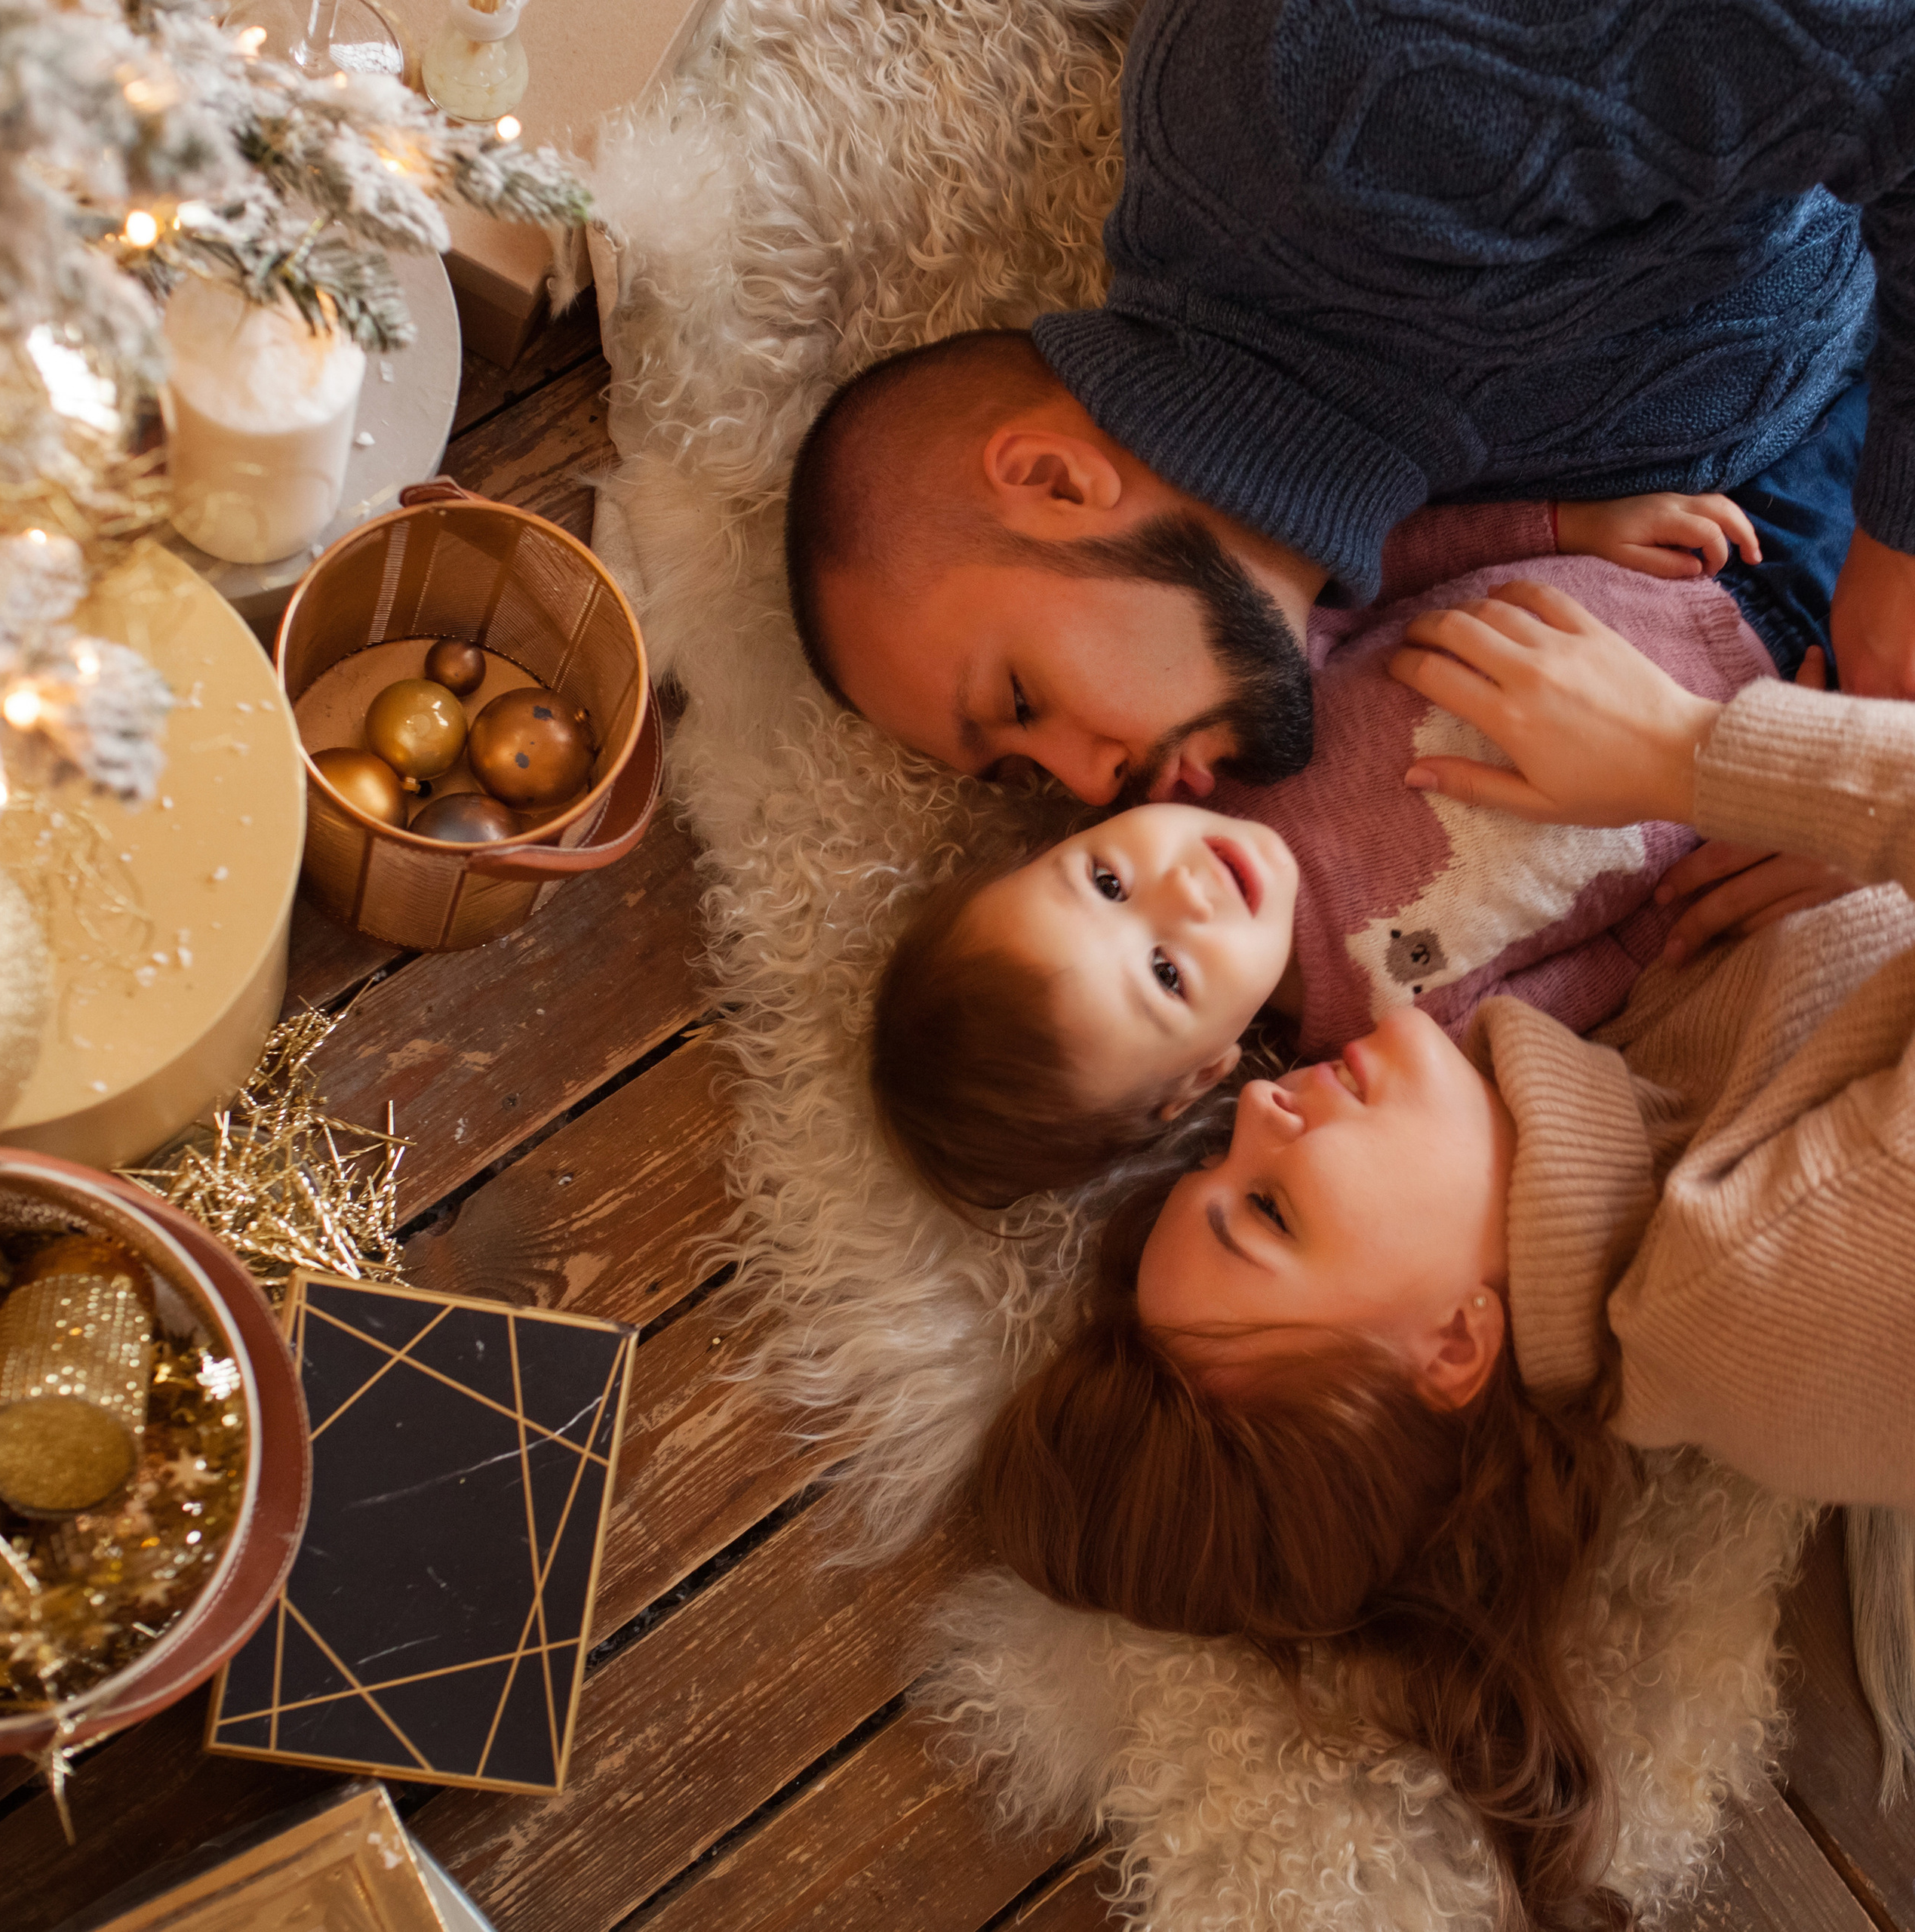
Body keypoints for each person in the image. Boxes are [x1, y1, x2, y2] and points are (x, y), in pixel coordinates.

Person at [971, 580, 1915, 1927]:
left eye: (1224, 1162)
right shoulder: (1753, 1292)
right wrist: (1705, 759)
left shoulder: (1648, 1076)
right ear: (1455, 1349)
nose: (1260, 1110)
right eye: (1276, 1212)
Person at [784, 2, 1915, 800]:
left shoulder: (1330, 115)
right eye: (1028, 776)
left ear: (1053, 479)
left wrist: (1901, 545)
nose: (1094, 787)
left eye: (1023, 701)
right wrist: (1821, 792)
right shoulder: (1349, 469)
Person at [873, 494, 1824, 1208]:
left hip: (1684, 547)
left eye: (1107, 880)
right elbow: (1603, 966)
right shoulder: (1397, 1036)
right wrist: (1767, 804)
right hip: (1784, 721)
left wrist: (1560, 526)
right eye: (1165, 972)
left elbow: (1368, 576)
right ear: (1204, 1075)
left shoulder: (1216, 747)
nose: (1185, 894)